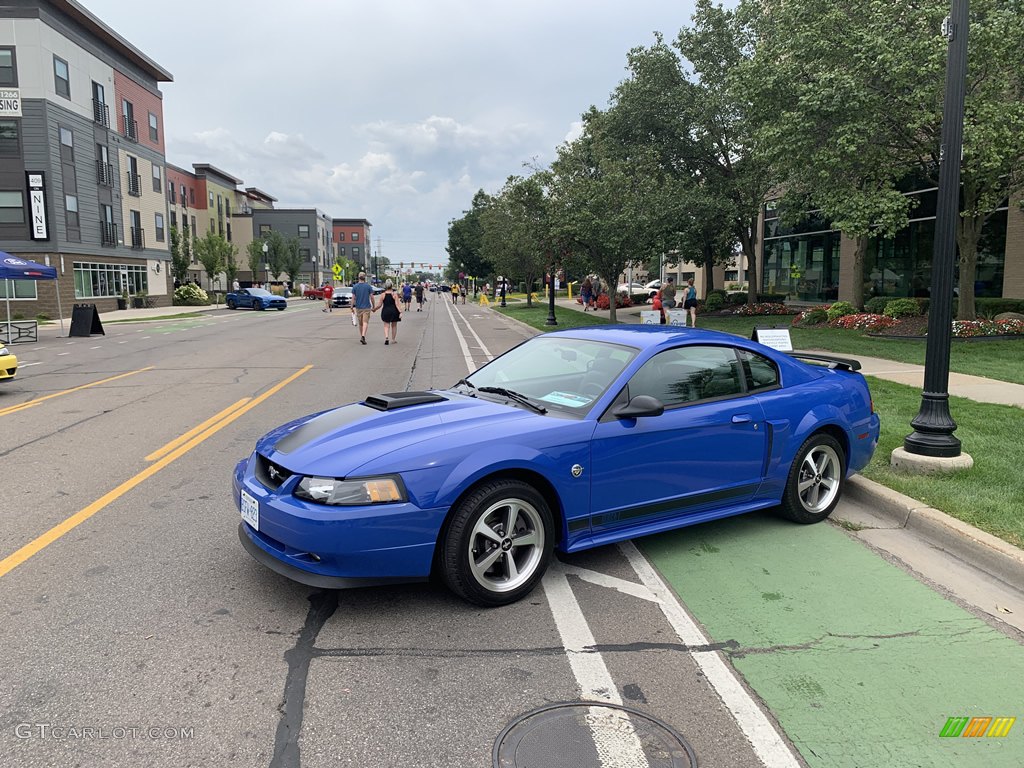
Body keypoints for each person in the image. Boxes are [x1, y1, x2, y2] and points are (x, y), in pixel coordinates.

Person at [373, 279, 401, 345]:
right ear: (391, 285)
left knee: (386, 325)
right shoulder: (394, 294)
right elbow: (397, 304)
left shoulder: (383, 295)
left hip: (385, 311)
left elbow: (379, 305)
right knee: (394, 326)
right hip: (394, 311)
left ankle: (386, 337)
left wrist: (374, 309)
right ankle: (393, 339)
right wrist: (400, 312)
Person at [352, 272, 374, 344]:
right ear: (365, 278)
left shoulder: (355, 287)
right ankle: (363, 336)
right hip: (366, 307)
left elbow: (353, 298)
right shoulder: (368, 286)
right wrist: (373, 305)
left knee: (361, 323)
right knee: (365, 322)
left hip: (358, 307)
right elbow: (372, 297)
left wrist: (351, 306)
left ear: (358, 277)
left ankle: (362, 335)